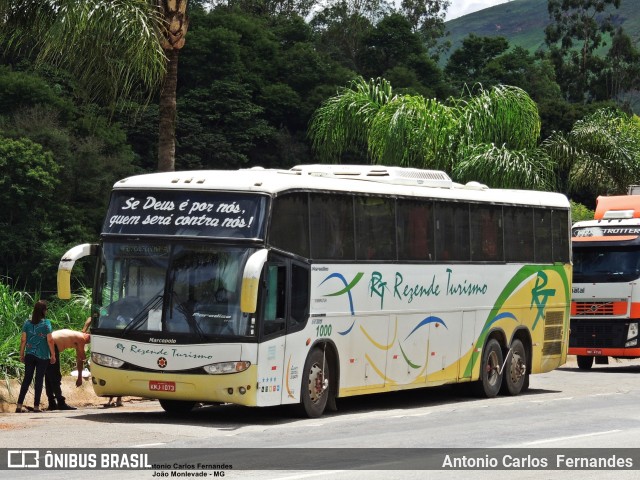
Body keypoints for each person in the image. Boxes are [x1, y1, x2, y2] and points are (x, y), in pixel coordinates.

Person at [16, 300, 56, 413]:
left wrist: (22, 353)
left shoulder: (27, 323)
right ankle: (36, 406)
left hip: (29, 354)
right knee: (39, 380)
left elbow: (23, 339)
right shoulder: (46, 323)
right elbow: (50, 340)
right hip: (42, 356)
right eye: (46, 309)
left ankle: (19, 405)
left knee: (27, 379)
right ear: (43, 311)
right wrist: (53, 354)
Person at [44, 328, 90, 411]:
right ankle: (61, 403)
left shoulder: (77, 336)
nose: (88, 342)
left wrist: (79, 377)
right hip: (51, 345)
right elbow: (82, 358)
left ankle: (52, 403)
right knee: (55, 376)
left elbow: (80, 359)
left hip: (46, 343)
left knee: (48, 375)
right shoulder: (81, 339)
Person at [82, 317, 123, 408]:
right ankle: (112, 399)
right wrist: (84, 330)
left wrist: (84, 330)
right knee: (111, 375)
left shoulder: (119, 318)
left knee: (117, 373)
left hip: (115, 347)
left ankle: (118, 399)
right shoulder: (103, 315)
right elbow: (90, 318)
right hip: (105, 348)